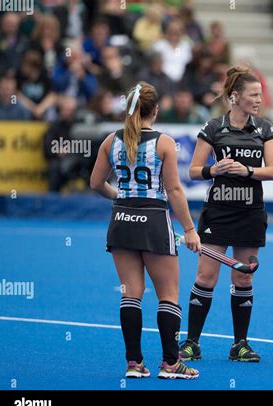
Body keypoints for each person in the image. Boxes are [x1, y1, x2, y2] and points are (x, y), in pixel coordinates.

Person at [90, 82, 200, 379]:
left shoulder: (110, 140)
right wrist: (190, 229)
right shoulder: (164, 142)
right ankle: (171, 363)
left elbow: (96, 183)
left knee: (131, 293)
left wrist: (122, 198)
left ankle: (134, 363)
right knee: (169, 294)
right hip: (153, 220)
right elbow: (175, 190)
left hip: (121, 221)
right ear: (156, 110)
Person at [178, 66, 273, 362]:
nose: (259, 100)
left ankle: (240, 345)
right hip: (218, 213)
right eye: (254, 94)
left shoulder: (264, 128)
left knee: (244, 278)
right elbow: (193, 171)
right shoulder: (213, 128)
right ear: (235, 97)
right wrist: (214, 169)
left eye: (260, 95)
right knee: (206, 276)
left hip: (250, 213)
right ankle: (191, 343)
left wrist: (247, 170)